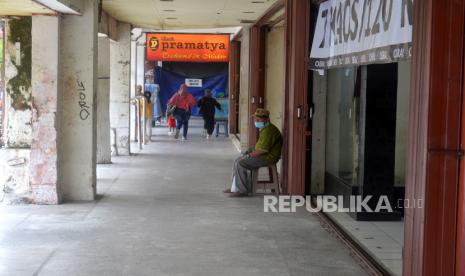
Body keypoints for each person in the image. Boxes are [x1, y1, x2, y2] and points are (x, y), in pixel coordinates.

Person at [224, 108, 283, 197]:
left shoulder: (269, 131)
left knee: (241, 163)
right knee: (237, 160)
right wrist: (250, 151)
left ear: (266, 119)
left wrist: (248, 156)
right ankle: (235, 187)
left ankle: (242, 190)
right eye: (255, 119)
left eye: (258, 120)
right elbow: (259, 146)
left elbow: (263, 150)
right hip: (263, 155)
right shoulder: (265, 128)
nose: (256, 121)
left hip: (267, 158)